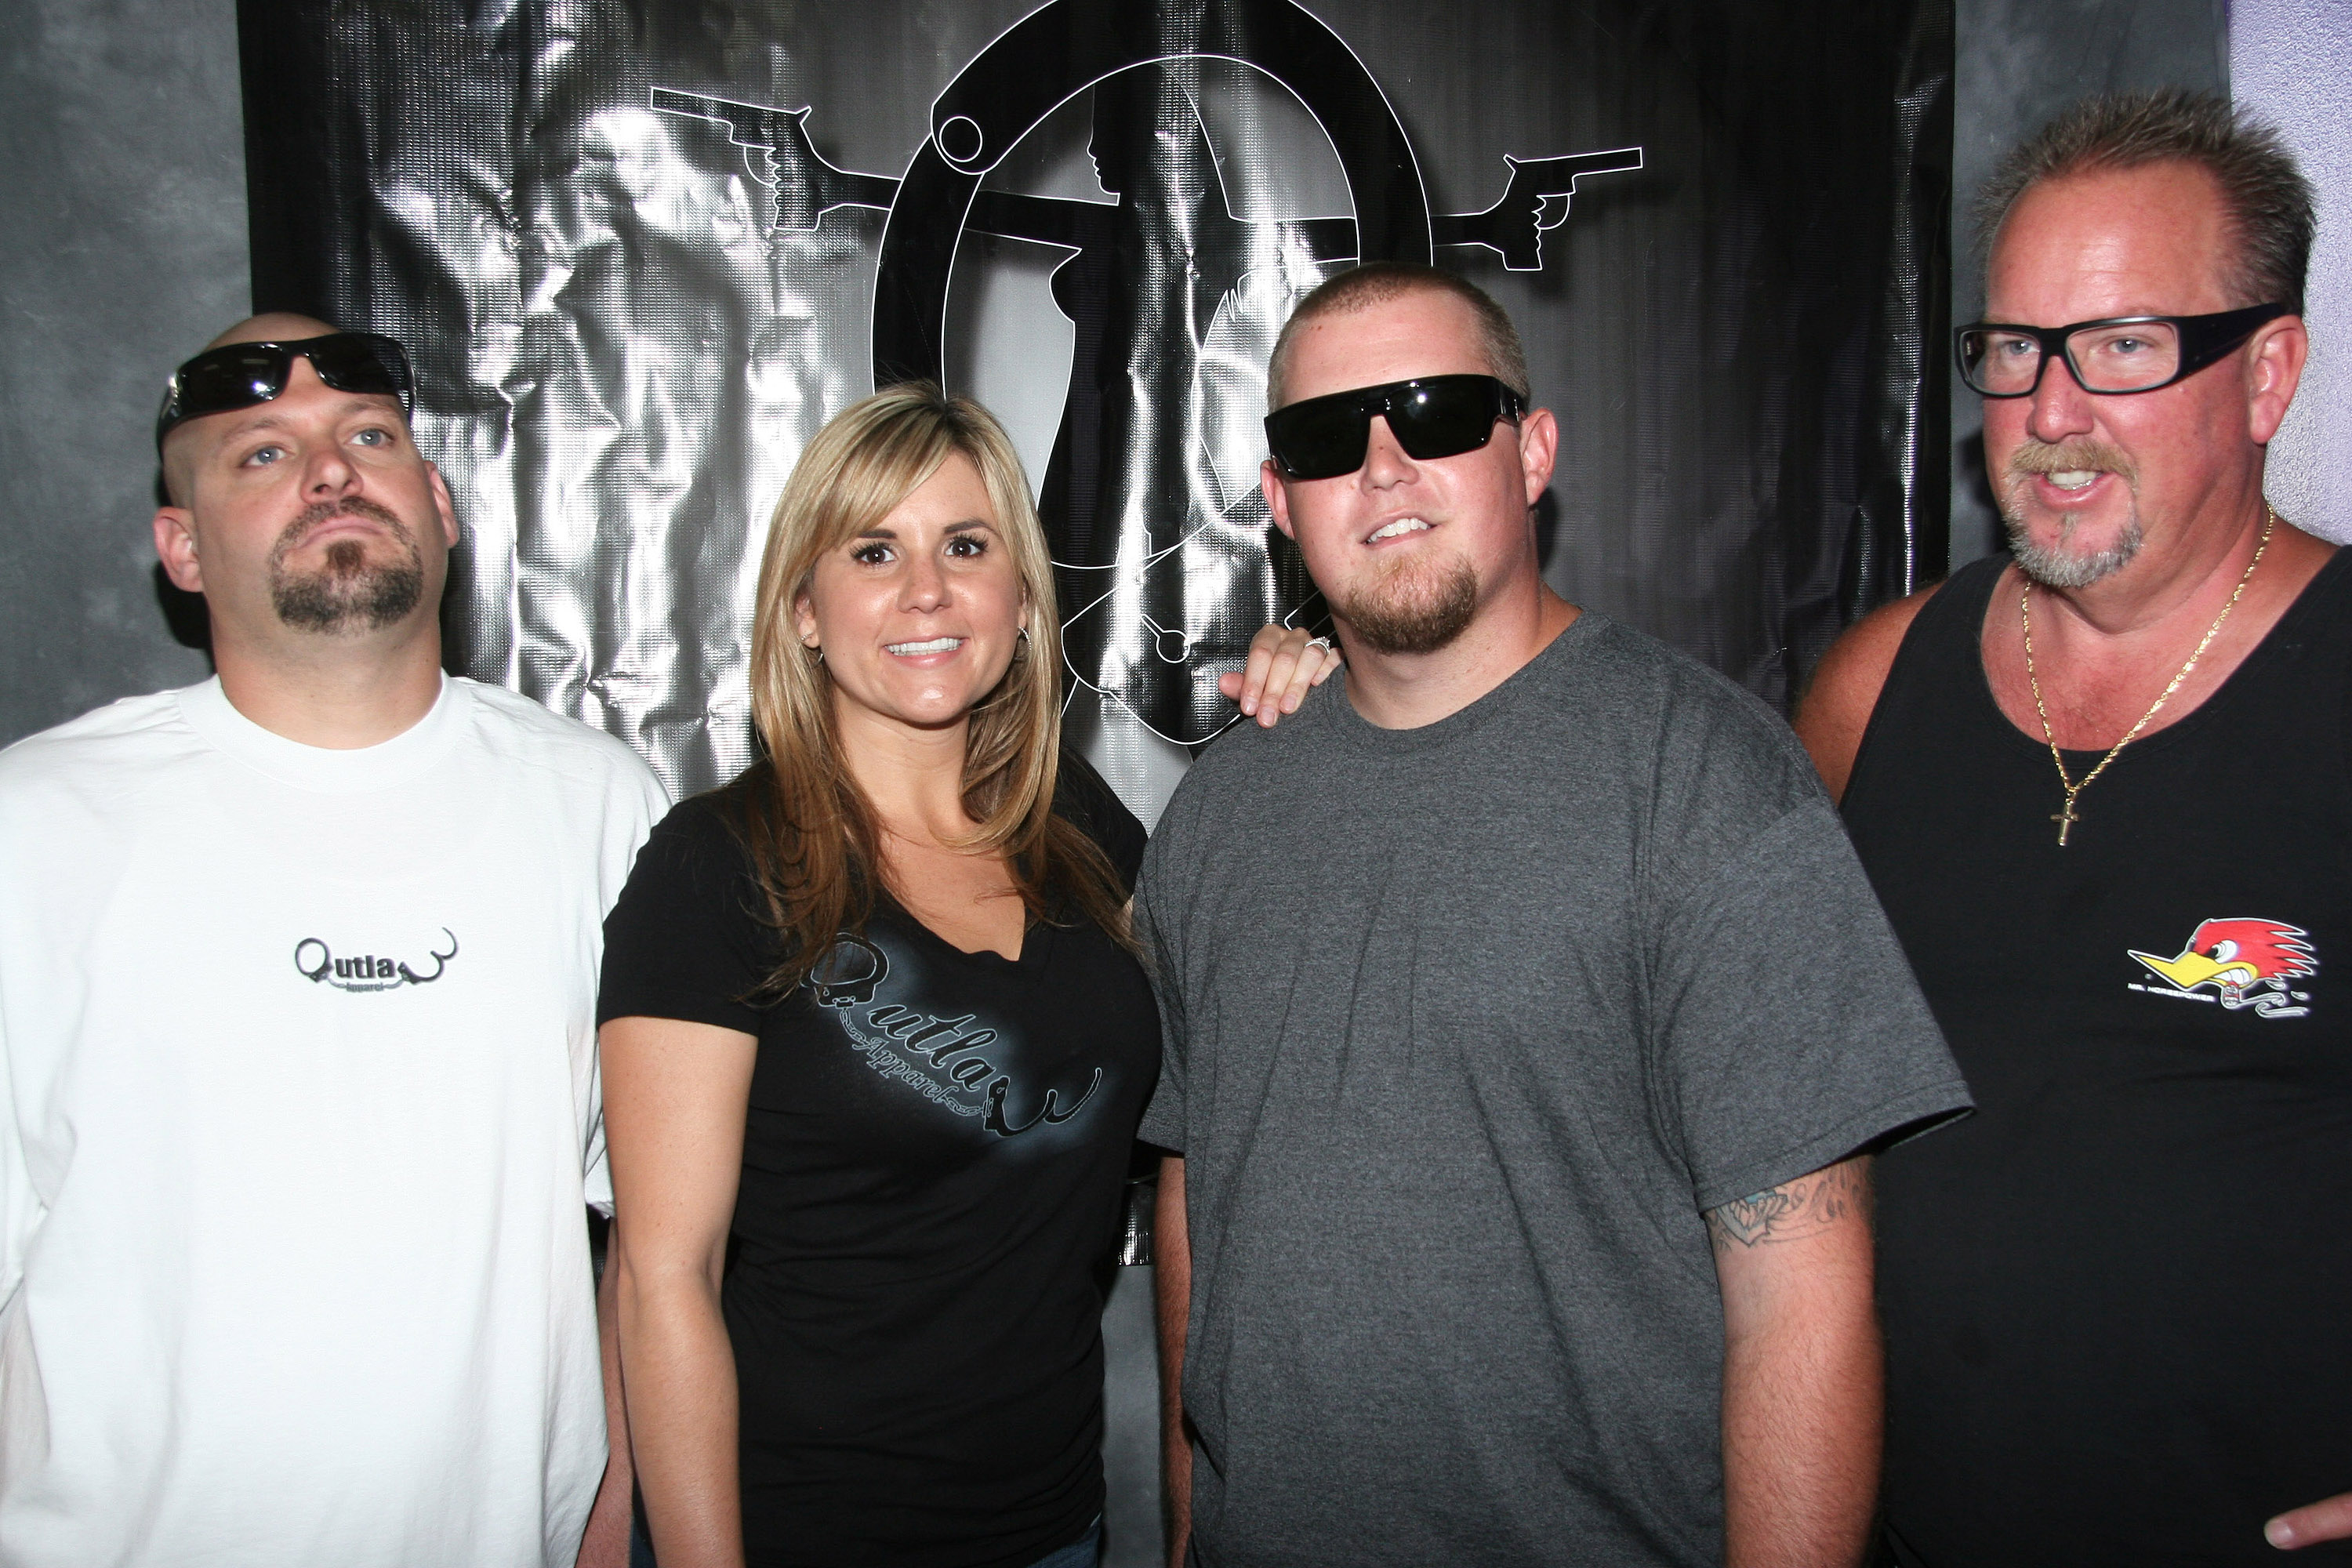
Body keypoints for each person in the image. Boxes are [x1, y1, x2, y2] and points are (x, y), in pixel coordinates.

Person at [1141, 261, 1969, 1568]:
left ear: (1531, 453)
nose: (1384, 464)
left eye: (1436, 410)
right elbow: (1196, 1193)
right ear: (1279, 500)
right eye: (1325, 436)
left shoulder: (1703, 778)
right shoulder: (1218, 817)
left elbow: (1803, 1297)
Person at [595, 383, 1334, 1568]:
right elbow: (662, 1278)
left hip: (1051, 1528)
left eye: (968, 545)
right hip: (794, 1532)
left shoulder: (1087, 838)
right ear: (803, 610)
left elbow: (1264, 1002)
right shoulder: (719, 866)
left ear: (1023, 602)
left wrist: (1315, 730)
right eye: (874, 549)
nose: (926, 590)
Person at [0, 315, 666, 1565]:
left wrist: (621, 1504)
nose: (329, 471)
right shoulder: (30, 828)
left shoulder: (598, 805)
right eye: (260, 453)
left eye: (368, 435)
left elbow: (654, 1230)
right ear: (180, 549)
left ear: (443, 504)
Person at [1795, 89, 2352, 1566]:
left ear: (2269, 372)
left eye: (2122, 347)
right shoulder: (1871, 688)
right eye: (2014, 351)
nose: (2049, 415)